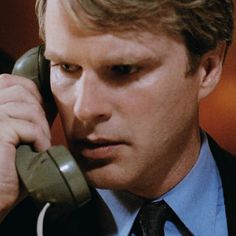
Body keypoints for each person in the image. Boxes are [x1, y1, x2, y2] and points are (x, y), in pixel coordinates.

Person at [0, 0, 235, 235]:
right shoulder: (15, 218)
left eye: (123, 69)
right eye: (67, 67)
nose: (84, 110)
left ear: (207, 70)